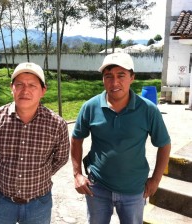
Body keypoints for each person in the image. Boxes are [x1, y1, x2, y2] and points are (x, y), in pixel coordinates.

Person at [70, 52, 171, 224]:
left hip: (134, 190)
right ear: (103, 79)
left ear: (132, 77)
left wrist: (155, 180)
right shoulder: (90, 107)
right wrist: (77, 174)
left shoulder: (148, 110)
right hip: (97, 188)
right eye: (108, 76)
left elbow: (164, 144)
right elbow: (76, 139)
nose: (114, 82)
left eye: (121, 76)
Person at [0, 62, 70, 224]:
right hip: (1, 200)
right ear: (12, 88)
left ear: (43, 90)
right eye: (20, 84)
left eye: (32, 85)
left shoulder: (56, 124)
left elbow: (61, 157)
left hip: (38, 203)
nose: (25, 90)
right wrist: (4, 171)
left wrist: (40, 174)